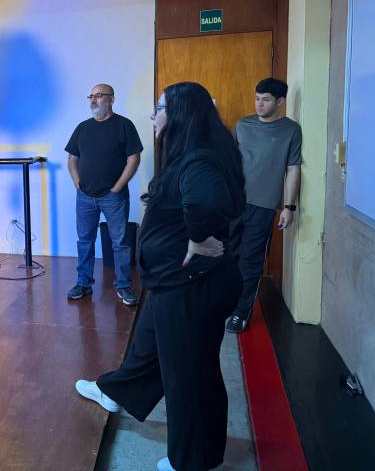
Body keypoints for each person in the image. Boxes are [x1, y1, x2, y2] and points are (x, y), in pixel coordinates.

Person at [75, 82, 245, 471]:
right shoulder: (197, 152)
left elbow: (206, 203)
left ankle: (192, 460)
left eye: (159, 108)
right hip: (173, 284)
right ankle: (115, 392)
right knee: (148, 345)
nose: (153, 116)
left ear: (182, 114)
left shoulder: (199, 160)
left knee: (189, 374)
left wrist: (198, 239)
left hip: (191, 287)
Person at [225, 78, 302, 333]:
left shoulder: (291, 130)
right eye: (257, 98)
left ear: (280, 102)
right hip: (234, 203)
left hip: (264, 206)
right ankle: (225, 302)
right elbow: (229, 161)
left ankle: (241, 312)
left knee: (250, 260)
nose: (259, 104)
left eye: (266, 99)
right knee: (228, 255)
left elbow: (293, 169)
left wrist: (289, 207)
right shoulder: (243, 125)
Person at [65, 83, 143, 305]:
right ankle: (83, 283)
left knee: (120, 243)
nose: (93, 100)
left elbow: (134, 159)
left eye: (98, 96)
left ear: (111, 99)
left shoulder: (124, 125)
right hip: (85, 196)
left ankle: (124, 285)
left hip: (113, 197)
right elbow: (72, 159)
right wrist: (77, 181)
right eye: (91, 96)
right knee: (85, 241)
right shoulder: (82, 128)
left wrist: (118, 187)